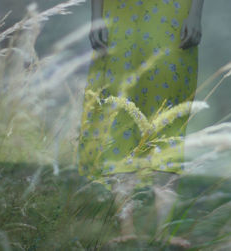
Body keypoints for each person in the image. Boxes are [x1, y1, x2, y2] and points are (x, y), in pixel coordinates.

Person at [77, 0, 204, 245]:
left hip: (173, 13)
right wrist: (96, 17)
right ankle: (126, 230)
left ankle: (163, 231)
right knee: (118, 114)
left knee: (169, 117)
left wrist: (195, 13)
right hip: (119, 12)